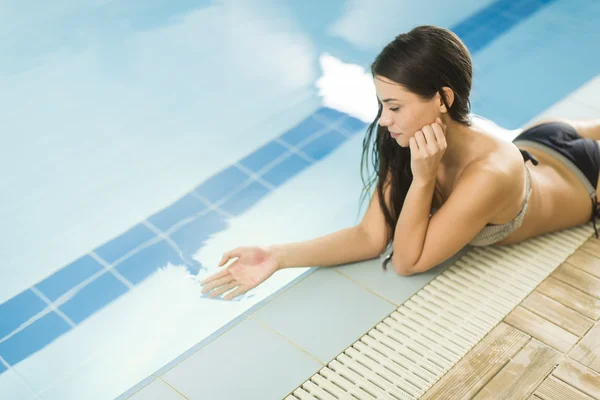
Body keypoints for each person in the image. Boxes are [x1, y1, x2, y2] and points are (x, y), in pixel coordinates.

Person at [200, 25, 600, 301]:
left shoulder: (489, 173)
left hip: (584, 174)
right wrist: (277, 255)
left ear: (443, 99)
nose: (384, 119)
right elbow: (371, 237)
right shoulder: (406, 137)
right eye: (381, 104)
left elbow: (409, 262)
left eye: (394, 106)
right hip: (539, 139)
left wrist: (424, 179)